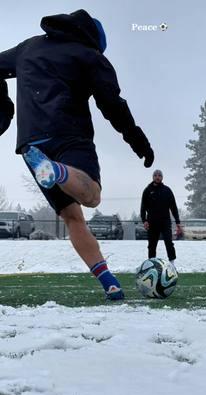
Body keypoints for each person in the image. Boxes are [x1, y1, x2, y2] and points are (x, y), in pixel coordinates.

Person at [0, 9, 154, 300]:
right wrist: (138, 142)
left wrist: (3, 109)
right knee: (91, 196)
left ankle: (108, 281)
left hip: (31, 142)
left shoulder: (28, 47)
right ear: (94, 41)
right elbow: (112, 105)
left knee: (73, 218)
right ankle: (56, 171)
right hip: (69, 135)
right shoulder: (89, 56)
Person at [140, 170, 182, 265]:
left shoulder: (167, 190)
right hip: (152, 222)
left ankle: (172, 265)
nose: (157, 177)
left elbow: (173, 207)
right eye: (155, 175)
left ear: (162, 177)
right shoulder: (147, 190)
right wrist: (144, 220)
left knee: (169, 243)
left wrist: (178, 221)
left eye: (159, 175)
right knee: (152, 245)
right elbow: (143, 208)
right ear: (153, 177)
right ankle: (152, 265)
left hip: (165, 222)